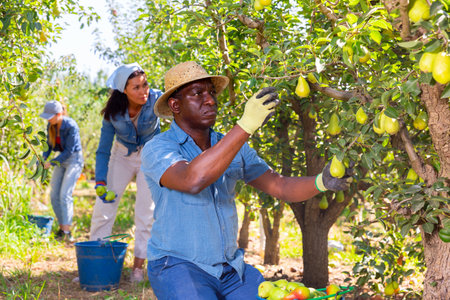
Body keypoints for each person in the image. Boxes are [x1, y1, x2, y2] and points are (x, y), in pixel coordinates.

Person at [141, 61, 353, 299]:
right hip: (177, 265)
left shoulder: (233, 147)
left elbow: (280, 185)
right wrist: (245, 125)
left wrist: (322, 182)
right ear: (175, 105)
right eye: (198, 94)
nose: (210, 100)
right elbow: (192, 179)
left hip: (231, 270)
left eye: (211, 92)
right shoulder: (158, 148)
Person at [89, 63, 162, 283]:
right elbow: (103, 149)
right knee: (104, 207)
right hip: (121, 155)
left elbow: (179, 118)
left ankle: (138, 267)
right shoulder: (113, 113)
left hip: (149, 154)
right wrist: (100, 180)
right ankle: (95, 261)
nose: (144, 91)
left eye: (145, 84)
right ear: (124, 91)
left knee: (146, 212)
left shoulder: (157, 100)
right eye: (136, 88)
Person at [40, 100, 84, 242]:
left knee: (65, 195)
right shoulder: (51, 125)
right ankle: (61, 227)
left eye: (50, 116)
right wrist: (43, 158)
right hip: (60, 159)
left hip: (73, 160)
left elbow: (70, 150)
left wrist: (51, 162)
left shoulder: (71, 126)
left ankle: (67, 231)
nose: (48, 119)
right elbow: (49, 145)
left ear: (59, 114)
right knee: (54, 195)